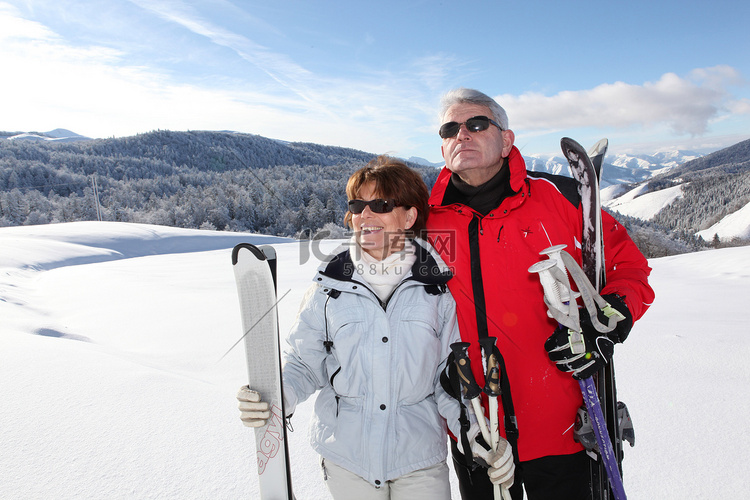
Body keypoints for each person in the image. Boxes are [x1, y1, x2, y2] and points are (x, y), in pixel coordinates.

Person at [237, 156, 515, 500]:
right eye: (357, 205)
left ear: (410, 216)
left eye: (380, 205)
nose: (364, 216)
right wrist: (277, 397)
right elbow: (304, 363)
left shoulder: (438, 289)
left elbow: (450, 378)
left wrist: (477, 434)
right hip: (347, 458)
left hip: (419, 460)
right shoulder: (329, 287)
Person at [425, 88, 655, 500]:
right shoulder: (427, 222)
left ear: (507, 139)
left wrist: (611, 315)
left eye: (476, 124)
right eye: (450, 129)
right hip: (478, 430)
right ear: (442, 145)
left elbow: (629, 267)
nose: (463, 134)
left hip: (563, 429)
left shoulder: (560, 199)